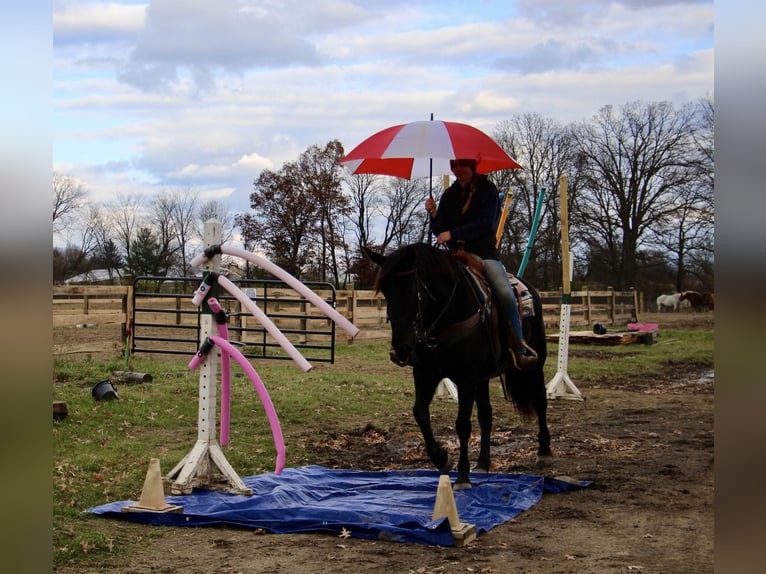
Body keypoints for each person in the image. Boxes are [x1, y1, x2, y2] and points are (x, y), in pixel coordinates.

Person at [425, 158, 537, 370]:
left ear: (472, 166)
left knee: (504, 293)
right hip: (454, 254)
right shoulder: (449, 195)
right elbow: (441, 231)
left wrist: (454, 233)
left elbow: (487, 225)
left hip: (483, 255)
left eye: (463, 165)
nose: (459, 170)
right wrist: (433, 214)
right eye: (455, 166)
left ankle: (519, 347)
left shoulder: (488, 190)